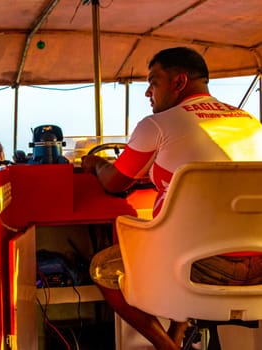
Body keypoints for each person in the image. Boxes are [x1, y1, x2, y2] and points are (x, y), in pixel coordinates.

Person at [82, 47, 262, 349]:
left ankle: (167, 346)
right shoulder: (251, 123)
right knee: (182, 235)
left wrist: (96, 163)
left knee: (103, 267)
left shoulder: (157, 125)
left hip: (194, 267)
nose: (147, 93)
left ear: (178, 82)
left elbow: (115, 183)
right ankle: (177, 334)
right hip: (258, 265)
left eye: (153, 82)